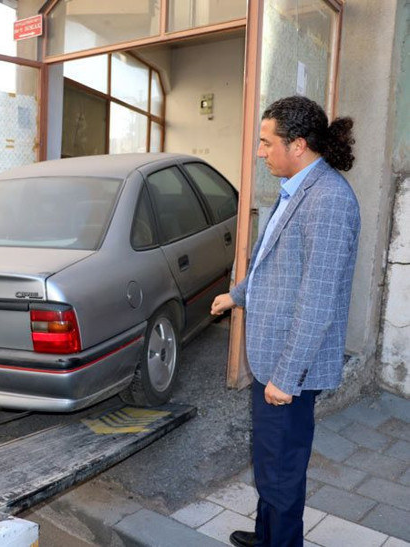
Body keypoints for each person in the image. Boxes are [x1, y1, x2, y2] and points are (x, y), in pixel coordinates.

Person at [211, 96, 360, 547]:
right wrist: (236, 296)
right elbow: (269, 265)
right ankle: (266, 535)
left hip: (288, 368)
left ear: (297, 145)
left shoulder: (329, 200)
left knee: (283, 468)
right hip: (274, 358)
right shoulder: (297, 187)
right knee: (270, 459)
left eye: (265, 142)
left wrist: (287, 376)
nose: (260, 152)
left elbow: (318, 299)